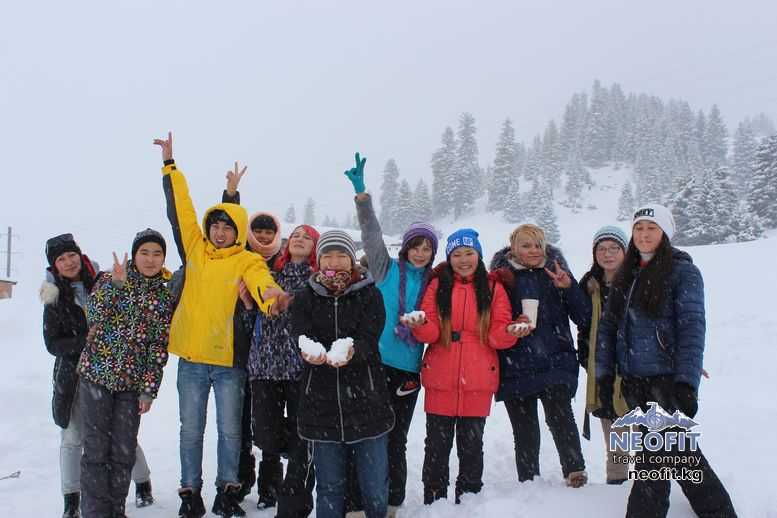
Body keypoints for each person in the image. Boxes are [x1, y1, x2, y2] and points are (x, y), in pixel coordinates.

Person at [153, 132, 290, 518]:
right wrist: (170, 165)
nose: (219, 231)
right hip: (192, 361)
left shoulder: (246, 260)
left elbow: (263, 282)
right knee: (190, 432)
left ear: (237, 232)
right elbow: (180, 209)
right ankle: (189, 493)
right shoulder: (195, 249)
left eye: (227, 227)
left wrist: (273, 298)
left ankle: (227, 492)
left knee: (231, 433)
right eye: (214, 225)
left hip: (230, 362)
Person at [596, 204, 737, 518]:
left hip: (667, 380)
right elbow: (609, 326)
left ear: (665, 233)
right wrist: (605, 375)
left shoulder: (682, 271)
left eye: (652, 228)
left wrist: (687, 381)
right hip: (634, 381)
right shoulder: (626, 273)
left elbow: (692, 328)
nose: (644, 235)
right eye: (639, 228)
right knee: (677, 451)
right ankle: (718, 510)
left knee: (655, 455)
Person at [344, 152, 438, 516]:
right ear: (406, 248)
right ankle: (354, 505)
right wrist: (362, 196)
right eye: (415, 246)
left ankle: (392, 505)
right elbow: (371, 235)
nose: (420, 252)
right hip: (372, 364)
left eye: (427, 247)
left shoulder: (436, 281)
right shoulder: (385, 269)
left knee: (395, 440)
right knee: (364, 435)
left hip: (408, 371)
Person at [40, 234, 154, 518]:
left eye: (71, 255)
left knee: (120, 434)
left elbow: (127, 313)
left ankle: (142, 482)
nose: (68, 262)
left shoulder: (103, 281)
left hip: (110, 370)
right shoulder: (53, 297)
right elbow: (53, 344)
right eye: (61, 259)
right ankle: (71, 499)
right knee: (73, 438)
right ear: (54, 266)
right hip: (74, 378)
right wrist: (85, 341)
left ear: (80, 255)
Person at [408, 228, 521, 504]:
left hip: (479, 376)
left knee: (472, 446)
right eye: (456, 254)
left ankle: (469, 497)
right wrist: (421, 325)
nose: (463, 259)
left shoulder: (494, 288)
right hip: (441, 375)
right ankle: (433, 499)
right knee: (436, 445)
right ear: (449, 258)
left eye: (469, 253)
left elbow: (496, 334)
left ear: (478, 255)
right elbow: (431, 332)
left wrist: (511, 332)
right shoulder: (437, 285)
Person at [291, 230, 394, 518]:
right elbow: (300, 335)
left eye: (341, 256)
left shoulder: (369, 295)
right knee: (329, 487)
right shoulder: (304, 298)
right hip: (320, 406)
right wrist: (308, 351)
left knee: (374, 486)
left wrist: (353, 351)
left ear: (351, 260)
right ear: (319, 260)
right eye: (327, 256)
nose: (333, 262)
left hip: (367, 402)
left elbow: (369, 339)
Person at [76, 229, 174, 518]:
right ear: (134, 255)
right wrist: (115, 287)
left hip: (131, 384)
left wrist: (149, 388)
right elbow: (92, 314)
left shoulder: (164, 296)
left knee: (123, 451)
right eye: (144, 252)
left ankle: (115, 510)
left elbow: (158, 345)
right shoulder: (111, 279)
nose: (151, 259)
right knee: (95, 450)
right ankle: (95, 513)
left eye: (157, 253)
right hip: (97, 375)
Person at [490, 223, 591, 487]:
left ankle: (575, 471)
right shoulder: (501, 278)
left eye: (538, 245)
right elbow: (493, 319)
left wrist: (568, 287)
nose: (533, 251)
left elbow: (583, 317)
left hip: (555, 359)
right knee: (524, 428)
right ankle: (528, 480)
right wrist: (512, 325)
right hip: (515, 362)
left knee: (560, 417)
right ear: (513, 249)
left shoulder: (556, 271)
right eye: (526, 245)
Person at [221, 167, 286, 506]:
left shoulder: (284, 263)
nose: (262, 235)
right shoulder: (238, 258)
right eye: (257, 230)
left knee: (269, 423)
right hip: (238, 352)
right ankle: (243, 478)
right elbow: (225, 224)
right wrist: (231, 195)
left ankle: (270, 485)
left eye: (268, 230)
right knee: (241, 421)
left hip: (274, 363)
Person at [249, 224, 320, 517]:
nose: (300, 240)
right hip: (265, 365)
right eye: (296, 236)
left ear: (315, 247)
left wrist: (294, 301)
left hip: (301, 368)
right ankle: (274, 479)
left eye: (307, 237)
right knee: (266, 435)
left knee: (302, 441)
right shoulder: (270, 274)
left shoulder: (317, 280)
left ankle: (294, 504)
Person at [576, 225, 631, 484]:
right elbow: (583, 323)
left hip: (636, 366)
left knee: (647, 428)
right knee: (614, 428)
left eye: (613, 248)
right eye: (601, 249)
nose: (607, 254)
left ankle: (650, 484)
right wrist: (585, 356)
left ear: (625, 251)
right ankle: (618, 481)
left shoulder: (638, 280)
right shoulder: (590, 284)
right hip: (603, 368)